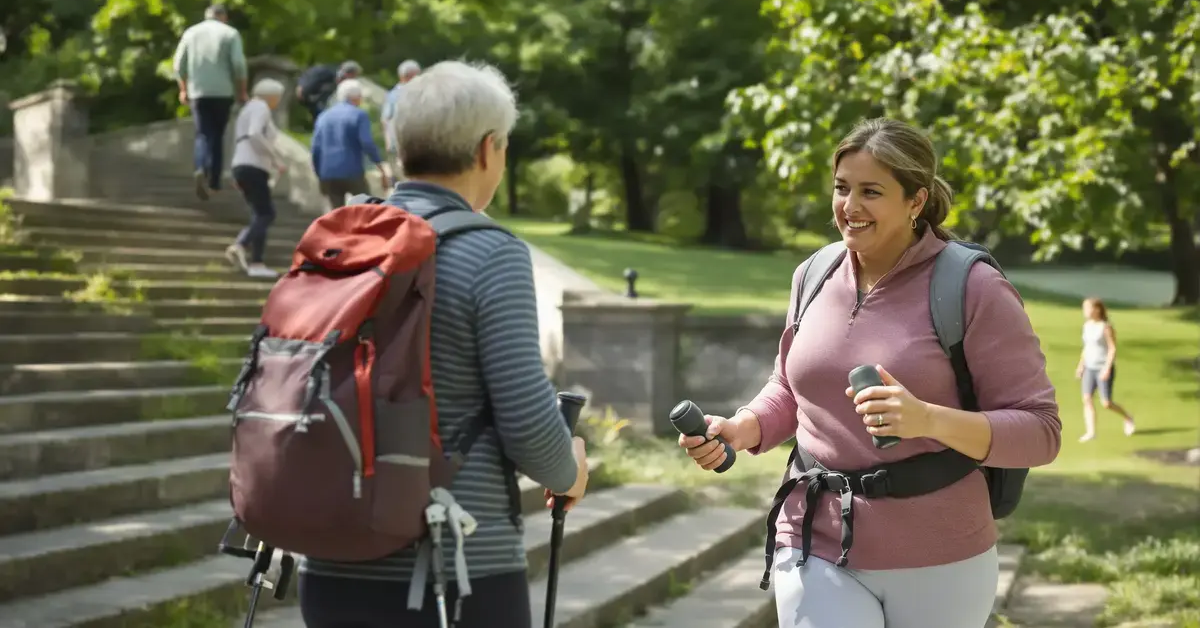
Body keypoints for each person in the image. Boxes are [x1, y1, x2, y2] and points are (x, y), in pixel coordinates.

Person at [678, 117, 1062, 628]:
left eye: (871, 192)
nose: (850, 206)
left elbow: (1041, 431)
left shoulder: (974, 288)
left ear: (916, 200)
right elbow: (790, 387)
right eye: (842, 188)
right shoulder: (814, 275)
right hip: (814, 536)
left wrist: (927, 419)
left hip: (941, 553)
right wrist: (743, 426)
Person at [297, 59, 590, 628]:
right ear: (486, 150)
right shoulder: (491, 253)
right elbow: (530, 426)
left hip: (329, 565)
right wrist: (569, 468)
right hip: (456, 570)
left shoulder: (341, 244)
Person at [172, 3, 249, 201]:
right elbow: (239, 64)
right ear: (224, 16)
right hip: (222, 93)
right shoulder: (230, 34)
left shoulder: (191, 33)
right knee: (217, 135)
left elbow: (178, 65)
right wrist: (242, 91)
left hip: (198, 93)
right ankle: (214, 182)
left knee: (203, 133)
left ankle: (200, 168)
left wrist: (183, 89)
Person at [225, 78, 286, 279]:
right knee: (267, 214)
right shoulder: (261, 107)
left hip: (243, 165)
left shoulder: (248, 108)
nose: (278, 101)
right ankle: (241, 245)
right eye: (278, 97)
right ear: (272, 96)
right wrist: (276, 159)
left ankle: (257, 263)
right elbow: (254, 134)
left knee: (260, 214)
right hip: (253, 167)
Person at [309, 78, 390, 210]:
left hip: (327, 173)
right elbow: (366, 142)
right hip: (352, 171)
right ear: (356, 97)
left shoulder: (323, 116)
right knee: (364, 209)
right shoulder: (359, 115)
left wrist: (319, 172)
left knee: (335, 213)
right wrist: (379, 165)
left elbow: (315, 148)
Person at [1075, 297, 1135, 442]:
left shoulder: (1105, 327)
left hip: (1102, 367)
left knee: (1106, 403)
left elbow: (1112, 348)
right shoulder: (1087, 326)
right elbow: (1087, 348)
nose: (1085, 311)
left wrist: (1107, 368)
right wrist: (1081, 365)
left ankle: (1128, 417)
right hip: (1089, 367)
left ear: (1097, 310)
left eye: (1087, 308)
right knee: (1087, 398)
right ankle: (1091, 432)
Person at [382, 59, 422, 179]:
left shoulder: (392, 95)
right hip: (407, 145)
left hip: (400, 144)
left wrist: (388, 141)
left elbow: (385, 119)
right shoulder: (409, 94)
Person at [295, 59, 362, 128]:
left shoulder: (345, 81)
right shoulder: (327, 71)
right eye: (354, 75)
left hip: (324, 101)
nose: (354, 77)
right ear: (350, 73)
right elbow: (309, 74)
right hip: (312, 96)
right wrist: (301, 86)